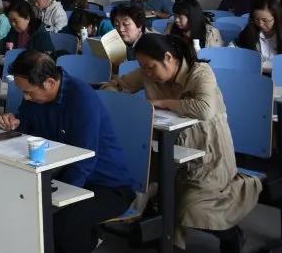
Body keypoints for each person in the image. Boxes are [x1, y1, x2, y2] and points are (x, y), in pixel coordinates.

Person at [106, 33, 259, 251]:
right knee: (140, 183)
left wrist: (163, 103)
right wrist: (116, 97)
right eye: (143, 67)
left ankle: (230, 233)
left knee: (191, 208)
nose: (146, 73)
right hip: (166, 149)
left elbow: (204, 109)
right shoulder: (148, 72)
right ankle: (162, 235)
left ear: (168, 58)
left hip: (208, 154)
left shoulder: (200, 72)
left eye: (150, 67)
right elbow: (115, 87)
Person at [0, 51, 135, 253]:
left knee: (59, 222)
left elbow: (84, 159)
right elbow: (27, 120)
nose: (26, 97)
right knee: (15, 204)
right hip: (61, 173)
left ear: (50, 83)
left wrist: (62, 199)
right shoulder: (36, 94)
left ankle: (86, 241)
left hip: (106, 185)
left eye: (29, 92)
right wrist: (16, 122)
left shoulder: (81, 99)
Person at [236, 0, 282, 72]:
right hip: (256, 74)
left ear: (277, 18)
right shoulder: (247, 33)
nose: (260, 24)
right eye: (256, 19)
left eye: (265, 20)